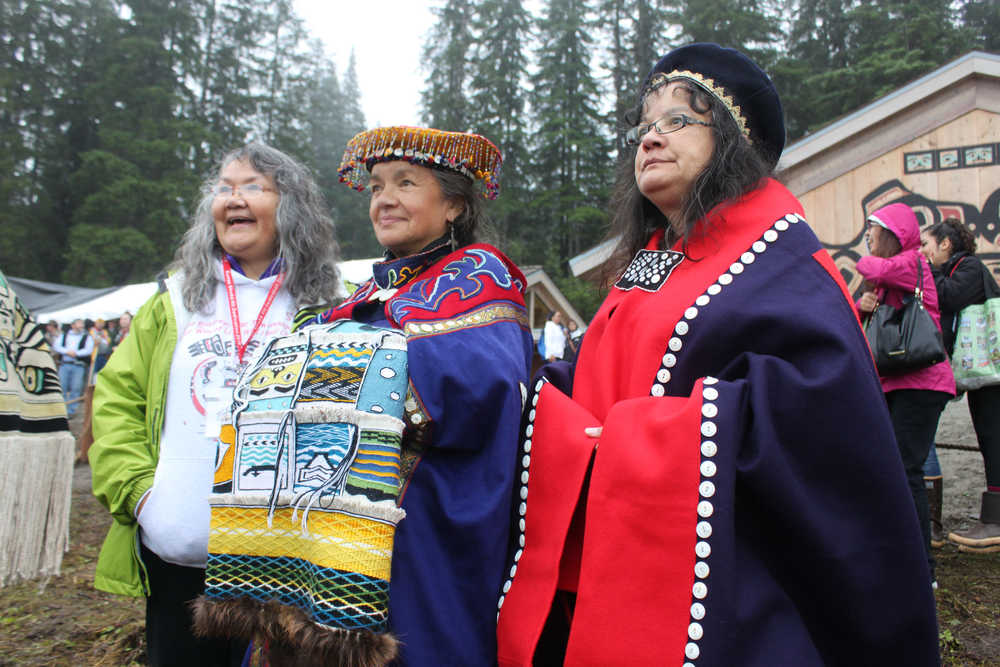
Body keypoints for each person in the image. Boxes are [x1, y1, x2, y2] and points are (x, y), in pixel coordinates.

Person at [496, 43, 939, 666]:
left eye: (677, 120)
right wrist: (540, 393)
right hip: (603, 563)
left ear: (733, 138)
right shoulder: (651, 259)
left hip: (731, 592)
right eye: (644, 126)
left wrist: (635, 437)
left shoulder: (785, 260)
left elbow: (822, 416)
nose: (650, 138)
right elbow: (605, 374)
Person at [88, 142, 341, 667]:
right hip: (180, 554)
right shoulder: (175, 302)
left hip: (289, 563)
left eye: (252, 187)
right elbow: (116, 402)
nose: (233, 199)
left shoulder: (334, 306)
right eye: (224, 188)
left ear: (292, 207)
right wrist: (140, 495)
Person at [299, 126, 531, 665]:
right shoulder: (364, 293)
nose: (385, 199)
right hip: (338, 517)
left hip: (426, 519)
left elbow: (481, 385)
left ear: (452, 204)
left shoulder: (481, 275)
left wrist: (351, 374)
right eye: (378, 186)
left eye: (406, 183)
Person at [857, 202, 956, 586]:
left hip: (923, 383)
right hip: (894, 382)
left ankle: (921, 568)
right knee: (892, 468)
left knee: (906, 469)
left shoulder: (910, 262)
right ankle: (894, 554)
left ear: (894, 234)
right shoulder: (888, 279)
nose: (867, 237)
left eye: (873, 229)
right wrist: (862, 306)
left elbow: (869, 266)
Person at [921, 217, 1000, 551]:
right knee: (989, 436)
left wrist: (928, 270)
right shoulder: (960, 268)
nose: (922, 251)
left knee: (994, 437)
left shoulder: (968, 268)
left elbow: (947, 297)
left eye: (926, 244)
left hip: (992, 373)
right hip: (985, 375)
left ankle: (994, 522)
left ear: (945, 244)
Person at [51, 318, 93, 417]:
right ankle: (62, 409)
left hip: (78, 365)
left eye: (82, 324)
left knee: (76, 388)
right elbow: (56, 346)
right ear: (73, 325)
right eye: (78, 324)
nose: (81, 326)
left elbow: (89, 349)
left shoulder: (86, 337)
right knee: (62, 387)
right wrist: (67, 352)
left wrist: (76, 353)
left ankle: (71, 410)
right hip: (64, 364)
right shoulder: (64, 335)